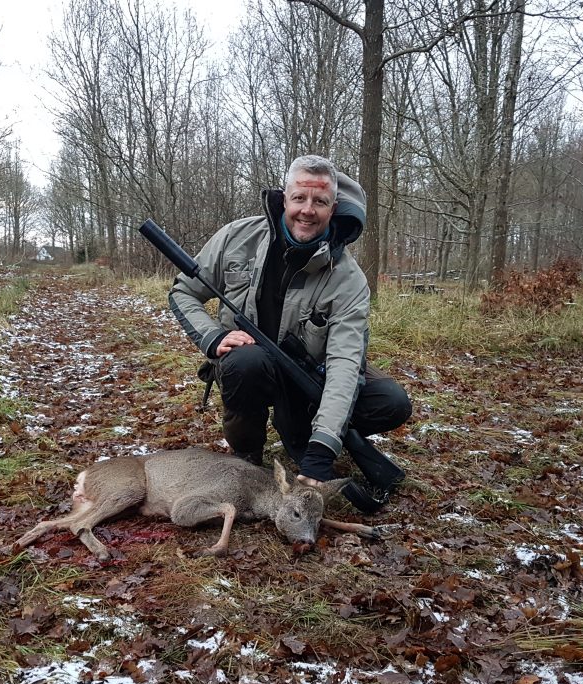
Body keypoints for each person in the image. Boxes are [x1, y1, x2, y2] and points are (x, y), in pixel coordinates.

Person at [169, 154, 412, 485]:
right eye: (299, 198)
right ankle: (247, 456)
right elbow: (183, 292)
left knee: (392, 403)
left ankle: (311, 425)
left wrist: (322, 451)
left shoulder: (349, 279)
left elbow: (343, 363)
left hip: (314, 368)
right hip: (252, 366)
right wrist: (212, 337)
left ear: (334, 206)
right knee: (245, 362)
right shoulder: (236, 237)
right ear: (285, 198)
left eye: (320, 201)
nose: (307, 210)